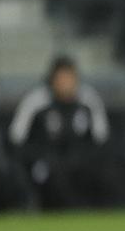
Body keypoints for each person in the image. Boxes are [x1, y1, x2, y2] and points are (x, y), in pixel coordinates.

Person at [9, 56, 110, 208]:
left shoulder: (89, 99)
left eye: (69, 79)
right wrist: (37, 158)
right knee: (54, 178)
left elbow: (101, 138)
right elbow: (16, 138)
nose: (65, 84)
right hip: (45, 162)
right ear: (52, 80)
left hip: (79, 162)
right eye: (61, 79)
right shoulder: (36, 101)